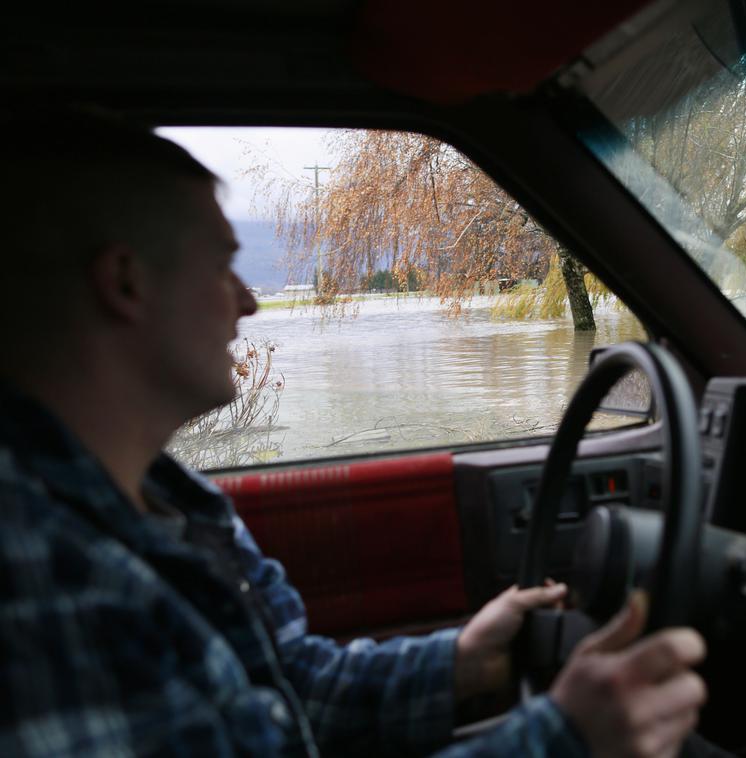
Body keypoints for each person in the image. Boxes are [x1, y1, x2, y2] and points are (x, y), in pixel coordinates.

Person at [0, 112, 707, 756]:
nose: (249, 301)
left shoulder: (171, 501)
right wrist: (565, 741)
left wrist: (463, 657)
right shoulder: (37, 571)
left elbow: (291, 689)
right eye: (222, 266)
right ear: (126, 283)